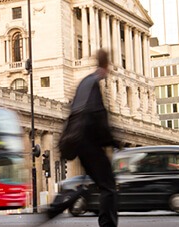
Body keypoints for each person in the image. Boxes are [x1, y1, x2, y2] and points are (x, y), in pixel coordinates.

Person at [47, 49, 118, 227]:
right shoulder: (94, 82)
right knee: (108, 184)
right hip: (88, 140)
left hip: (77, 140)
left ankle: (56, 207)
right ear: (106, 65)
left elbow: (73, 110)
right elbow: (97, 114)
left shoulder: (85, 81)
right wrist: (111, 141)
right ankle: (107, 224)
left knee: (90, 180)